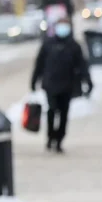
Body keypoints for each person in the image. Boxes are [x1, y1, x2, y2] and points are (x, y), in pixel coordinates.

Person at [30, 17, 92, 153]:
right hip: (50, 85)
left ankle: (59, 140)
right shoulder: (48, 44)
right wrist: (34, 81)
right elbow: (39, 64)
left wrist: (87, 81)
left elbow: (82, 65)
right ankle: (50, 137)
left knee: (63, 114)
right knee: (52, 111)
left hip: (67, 85)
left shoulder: (74, 45)